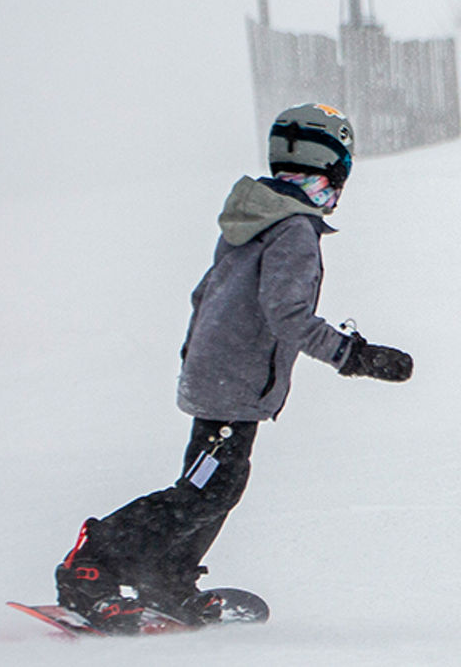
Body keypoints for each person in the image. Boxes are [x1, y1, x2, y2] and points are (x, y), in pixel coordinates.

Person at [54, 103, 413, 631]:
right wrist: (353, 355)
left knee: (216, 484)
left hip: (222, 373)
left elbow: (209, 291)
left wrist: (198, 355)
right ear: (334, 172)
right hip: (233, 381)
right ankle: (92, 565)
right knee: (209, 488)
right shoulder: (293, 229)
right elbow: (287, 314)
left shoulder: (257, 216)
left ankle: (166, 577)